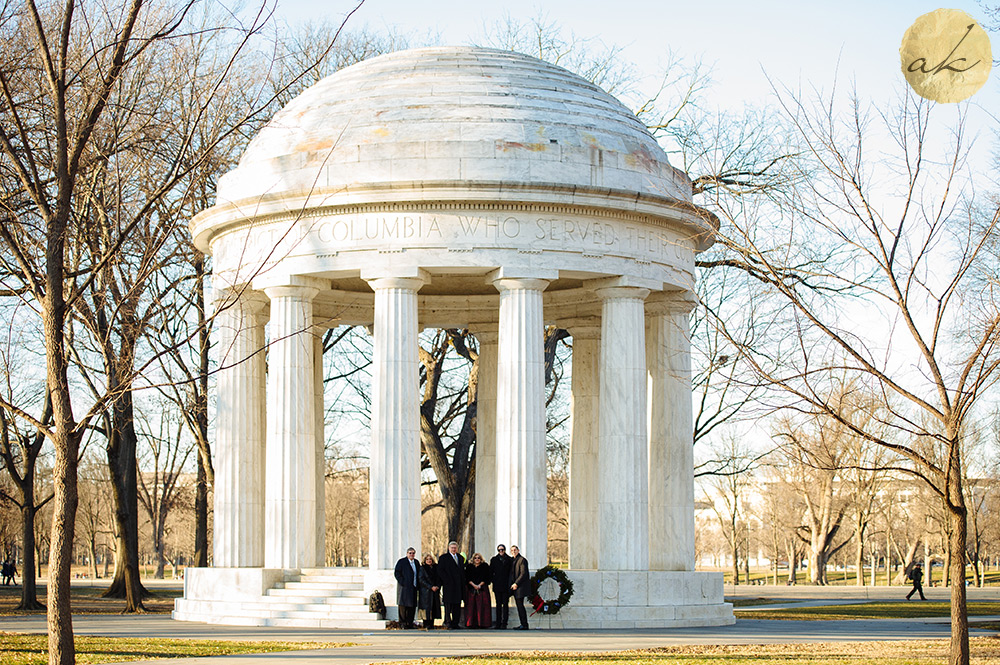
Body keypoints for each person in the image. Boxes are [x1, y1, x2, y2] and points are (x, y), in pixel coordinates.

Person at [438, 541, 465, 629]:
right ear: (449, 548)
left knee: (457, 605)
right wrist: (446, 580)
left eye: (455, 548)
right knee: (448, 605)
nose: (453, 549)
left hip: (458, 585)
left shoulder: (460, 558)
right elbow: (440, 570)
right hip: (448, 585)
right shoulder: (443, 558)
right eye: (452, 547)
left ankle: (455, 623)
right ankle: (448, 622)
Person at [393, 547, 420, 628]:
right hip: (404, 588)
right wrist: (403, 582)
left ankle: (410, 623)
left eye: (413, 553)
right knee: (403, 606)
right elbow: (397, 573)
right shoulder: (402, 562)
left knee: (412, 606)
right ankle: (402, 623)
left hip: (414, 587)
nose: (411, 554)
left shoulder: (416, 562)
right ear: (407, 553)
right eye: (410, 553)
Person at [464, 552, 492, 628]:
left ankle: (482, 623)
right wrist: (474, 585)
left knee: (482, 606)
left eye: (478, 558)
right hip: (471, 588)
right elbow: (467, 577)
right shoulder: (469, 567)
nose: (477, 559)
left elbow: (487, 577)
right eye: (475, 558)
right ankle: (471, 623)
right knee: (471, 606)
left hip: (482, 588)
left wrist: (479, 585)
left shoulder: (485, 566)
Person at [489, 544, 512, 629]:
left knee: (505, 604)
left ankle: (504, 622)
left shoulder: (509, 560)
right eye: (499, 550)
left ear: (505, 550)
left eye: (502, 550)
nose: (501, 551)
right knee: (498, 604)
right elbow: (491, 571)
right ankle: (498, 623)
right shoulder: (494, 559)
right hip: (497, 585)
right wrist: (493, 580)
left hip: (506, 585)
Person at [418, 553, 442, 629]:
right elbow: (421, 579)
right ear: (425, 560)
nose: (429, 561)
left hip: (435, 591)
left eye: (430, 559)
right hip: (426, 591)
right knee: (426, 608)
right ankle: (426, 624)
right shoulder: (422, 568)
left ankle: (432, 623)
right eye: (427, 559)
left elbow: (439, 578)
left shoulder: (436, 568)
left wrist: (437, 586)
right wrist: (430, 587)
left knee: (434, 607)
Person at [508, 545, 530, 630]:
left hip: (520, 587)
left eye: (515, 550)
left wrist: (516, 583)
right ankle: (523, 624)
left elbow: (523, 573)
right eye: (512, 550)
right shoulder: (512, 560)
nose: (513, 551)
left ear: (518, 550)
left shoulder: (522, 560)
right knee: (519, 606)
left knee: (520, 606)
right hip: (513, 586)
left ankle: (524, 624)